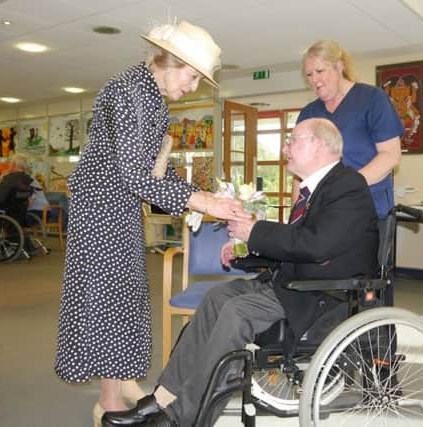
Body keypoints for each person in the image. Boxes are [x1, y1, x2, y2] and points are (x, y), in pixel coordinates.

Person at [102, 118, 379, 427]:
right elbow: (297, 246)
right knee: (216, 297)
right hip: (293, 283)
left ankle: (185, 418)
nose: (286, 148)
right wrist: (247, 248)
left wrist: (254, 232)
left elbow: (316, 245)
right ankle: (163, 399)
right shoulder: (315, 189)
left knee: (237, 311)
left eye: (293, 140)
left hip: (324, 293)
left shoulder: (347, 185)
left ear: (321, 145)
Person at [53, 20, 249, 427]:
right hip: (100, 212)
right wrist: (200, 199)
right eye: (192, 76)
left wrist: (202, 195)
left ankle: (120, 382)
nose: (193, 87)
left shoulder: (155, 101)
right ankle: (108, 402)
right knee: (108, 303)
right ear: (169, 61)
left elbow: (152, 176)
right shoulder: (126, 91)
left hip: (120, 210)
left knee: (125, 300)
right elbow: (132, 175)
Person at [296, 39, 404, 305]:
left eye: (320, 71)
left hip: (369, 212)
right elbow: (300, 170)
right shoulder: (310, 113)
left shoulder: (372, 99)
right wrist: (295, 217)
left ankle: (374, 346)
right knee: (324, 286)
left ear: (340, 66)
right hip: (325, 216)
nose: (314, 80)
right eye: (309, 74)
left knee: (367, 290)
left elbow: (391, 154)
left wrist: (345, 187)